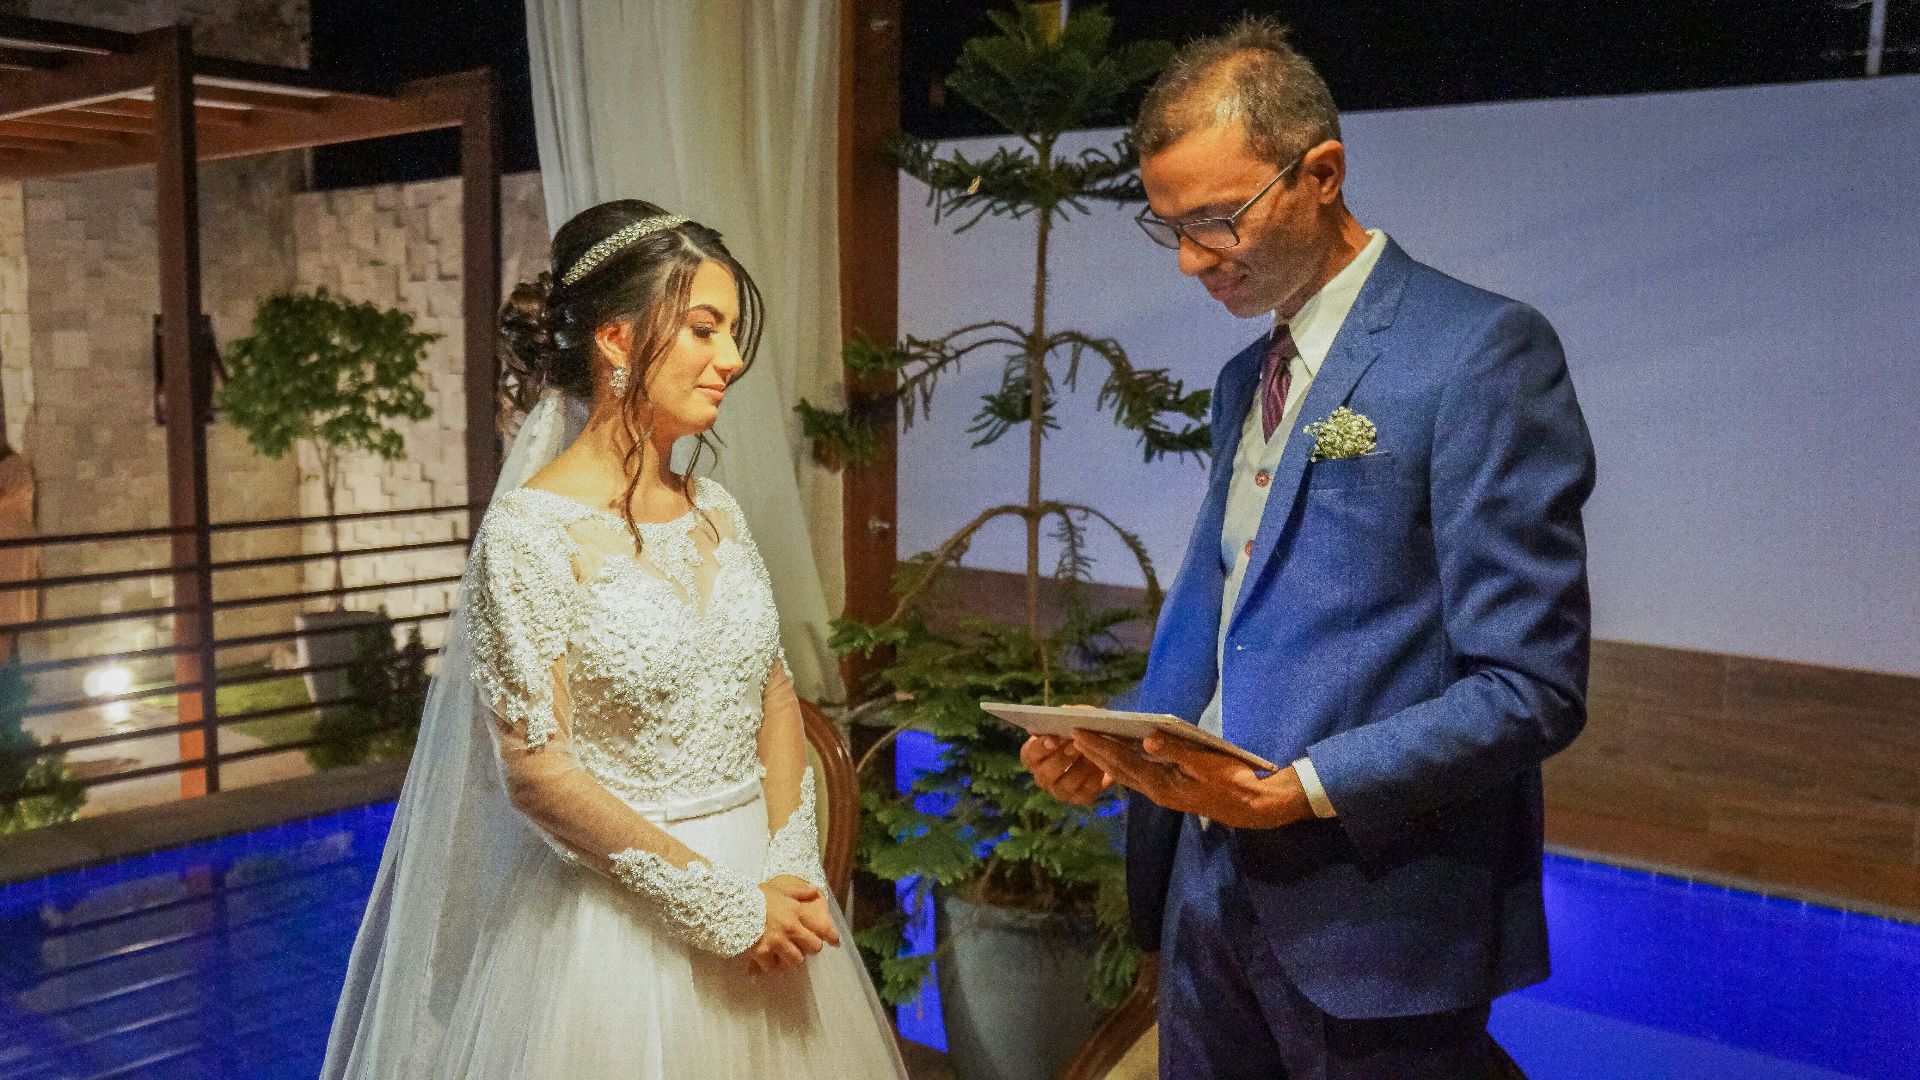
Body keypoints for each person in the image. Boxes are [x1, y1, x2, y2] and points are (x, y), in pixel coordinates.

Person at [1020, 19, 1595, 1079]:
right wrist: (1124, 751)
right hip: (1204, 888)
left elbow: (1531, 685)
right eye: (1169, 229)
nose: (1193, 260)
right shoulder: (1247, 378)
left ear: (1320, 172)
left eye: (1216, 221)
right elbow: (1235, 618)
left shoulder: (1478, 354)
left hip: (1375, 915)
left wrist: (1303, 788)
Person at [321, 200, 906, 1079]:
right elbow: (538, 774)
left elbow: (774, 693)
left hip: (774, 908)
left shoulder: (717, 509)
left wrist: (790, 865)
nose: (733, 359)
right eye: (705, 330)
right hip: (618, 935)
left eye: (732, 333)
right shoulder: (530, 534)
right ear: (617, 340)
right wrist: (720, 910)